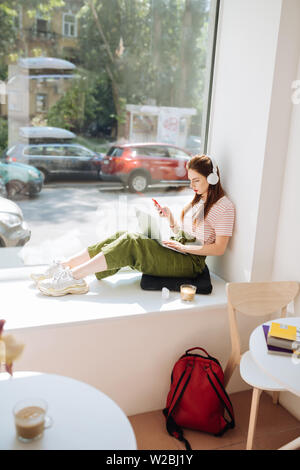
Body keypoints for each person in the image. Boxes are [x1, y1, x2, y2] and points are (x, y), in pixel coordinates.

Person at [32, 155, 235, 297]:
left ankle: (74, 278)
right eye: (190, 180)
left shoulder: (223, 207)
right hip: (180, 250)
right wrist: (170, 218)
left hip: (191, 263)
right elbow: (185, 234)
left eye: (196, 181)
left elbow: (219, 248)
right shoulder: (200, 200)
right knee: (123, 234)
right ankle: (66, 266)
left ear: (212, 178)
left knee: (132, 242)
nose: (192, 186)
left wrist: (184, 248)